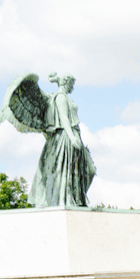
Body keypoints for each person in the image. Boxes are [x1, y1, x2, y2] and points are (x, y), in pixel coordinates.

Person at [29, 73, 96, 208]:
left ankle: (76, 198)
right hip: (66, 137)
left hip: (74, 135)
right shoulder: (60, 97)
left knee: (89, 170)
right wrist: (71, 137)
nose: (73, 87)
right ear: (67, 83)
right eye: (72, 84)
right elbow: (64, 117)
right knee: (65, 171)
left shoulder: (65, 97)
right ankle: (66, 201)